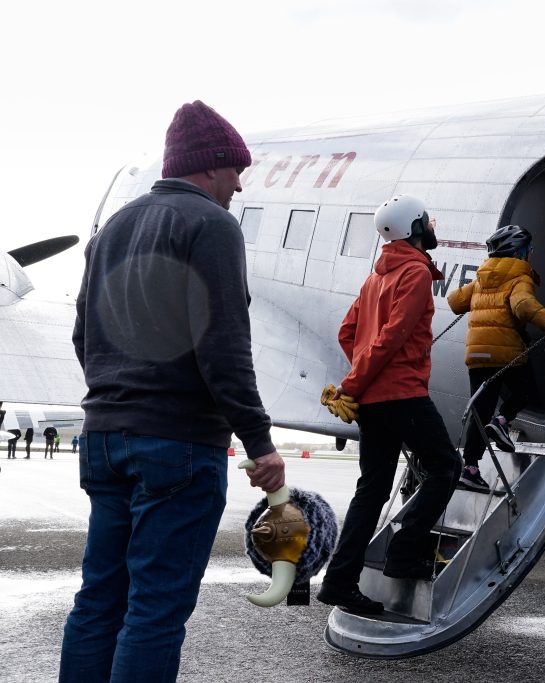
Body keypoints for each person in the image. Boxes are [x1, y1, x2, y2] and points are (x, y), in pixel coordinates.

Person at [60, 100, 285, 683]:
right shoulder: (211, 226)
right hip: (179, 445)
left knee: (99, 600)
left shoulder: (115, 227)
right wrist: (261, 444)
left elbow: (84, 332)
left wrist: (116, 401)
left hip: (105, 439)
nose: (240, 182)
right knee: (155, 609)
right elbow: (224, 348)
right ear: (209, 166)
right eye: (235, 168)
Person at [318, 194, 461, 615]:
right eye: (427, 221)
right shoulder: (415, 273)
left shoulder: (374, 277)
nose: (433, 227)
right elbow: (393, 337)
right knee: (445, 466)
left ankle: (339, 581)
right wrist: (355, 381)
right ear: (415, 229)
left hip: (374, 402)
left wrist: (360, 382)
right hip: (403, 394)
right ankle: (404, 550)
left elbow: (349, 334)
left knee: (372, 489)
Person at [447, 225, 545, 489]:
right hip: (505, 352)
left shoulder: (482, 276)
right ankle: (502, 421)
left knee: (479, 412)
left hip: (476, 353)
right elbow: (522, 305)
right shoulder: (519, 276)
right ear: (519, 251)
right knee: (526, 392)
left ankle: (469, 468)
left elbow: (455, 302)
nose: (530, 254)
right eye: (529, 250)